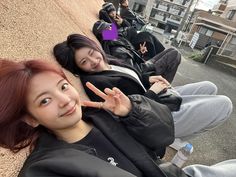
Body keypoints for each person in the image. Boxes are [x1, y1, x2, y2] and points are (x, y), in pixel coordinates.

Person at [1, 60, 236, 177]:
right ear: (30, 119)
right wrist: (146, 96)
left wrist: (132, 108)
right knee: (222, 105)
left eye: (63, 86)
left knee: (209, 85)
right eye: (44, 100)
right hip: (147, 98)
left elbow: (159, 139)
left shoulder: (114, 57)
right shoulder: (99, 81)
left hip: (144, 103)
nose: (64, 100)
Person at [53, 34, 233, 150]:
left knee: (209, 86)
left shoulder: (111, 53)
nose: (94, 60)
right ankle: (174, 136)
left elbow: (128, 65)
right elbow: (125, 112)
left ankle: (180, 127)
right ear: (78, 67)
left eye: (93, 52)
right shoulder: (97, 78)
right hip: (151, 117)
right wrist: (152, 91)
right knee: (224, 103)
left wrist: (147, 78)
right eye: (84, 62)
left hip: (144, 80)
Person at [92, 21, 180, 83]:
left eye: (111, 26)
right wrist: (149, 64)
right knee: (174, 54)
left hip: (141, 64)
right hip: (143, 71)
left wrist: (139, 52)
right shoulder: (116, 47)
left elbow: (129, 58)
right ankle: (163, 87)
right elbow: (132, 70)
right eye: (109, 27)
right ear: (104, 33)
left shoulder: (115, 40)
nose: (112, 28)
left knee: (172, 51)